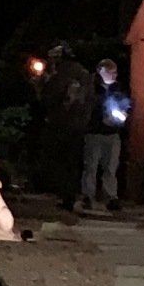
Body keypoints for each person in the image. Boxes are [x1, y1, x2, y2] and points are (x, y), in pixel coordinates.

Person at [38, 44, 93, 210]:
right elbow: (90, 100)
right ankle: (71, 195)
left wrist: (42, 84)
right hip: (79, 126)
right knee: (73, 163)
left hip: (61, 124)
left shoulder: (60, 75)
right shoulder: (84, 75)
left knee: (61, 162)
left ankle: (65, 196)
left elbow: (48, 98)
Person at [79, 57, 130, 213]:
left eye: (114, 72)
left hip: (112, 134)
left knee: (111, 167)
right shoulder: (91, 89)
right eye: (109, 72)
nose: (113, 75)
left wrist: (122, 116)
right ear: (101, 71)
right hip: (94, 132)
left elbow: (125, 107)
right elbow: (86, 107)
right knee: (91, 166)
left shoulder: (118, 90)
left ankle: (110, 197)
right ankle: (88, 196)